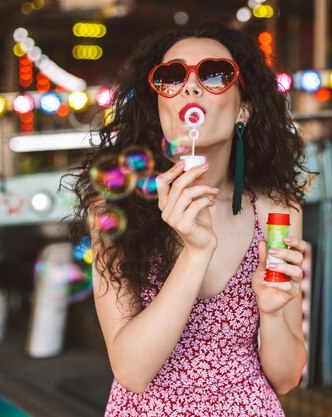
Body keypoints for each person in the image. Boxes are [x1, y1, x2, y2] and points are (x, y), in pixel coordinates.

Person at [72, 21, 311, 417]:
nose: (191, 87)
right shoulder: (115, 209)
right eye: (172, 76)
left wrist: (270, 312)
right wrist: (196, 252)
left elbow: (286, 378)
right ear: (159, 106)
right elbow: (132, 370)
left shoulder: (277, 212)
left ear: (244, 111)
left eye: (215, 75)